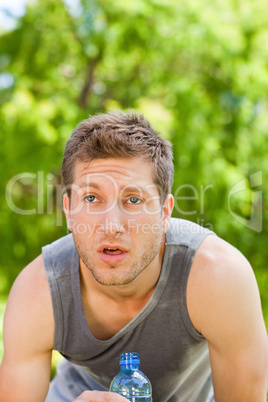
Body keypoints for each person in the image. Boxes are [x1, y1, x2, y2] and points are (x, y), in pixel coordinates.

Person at [0, 111, 267, 402]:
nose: (111, 226)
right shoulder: (38, 292)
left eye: (133, 199)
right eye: (91, 198)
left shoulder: (219, 276)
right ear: (68, 210)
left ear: (165, 212)